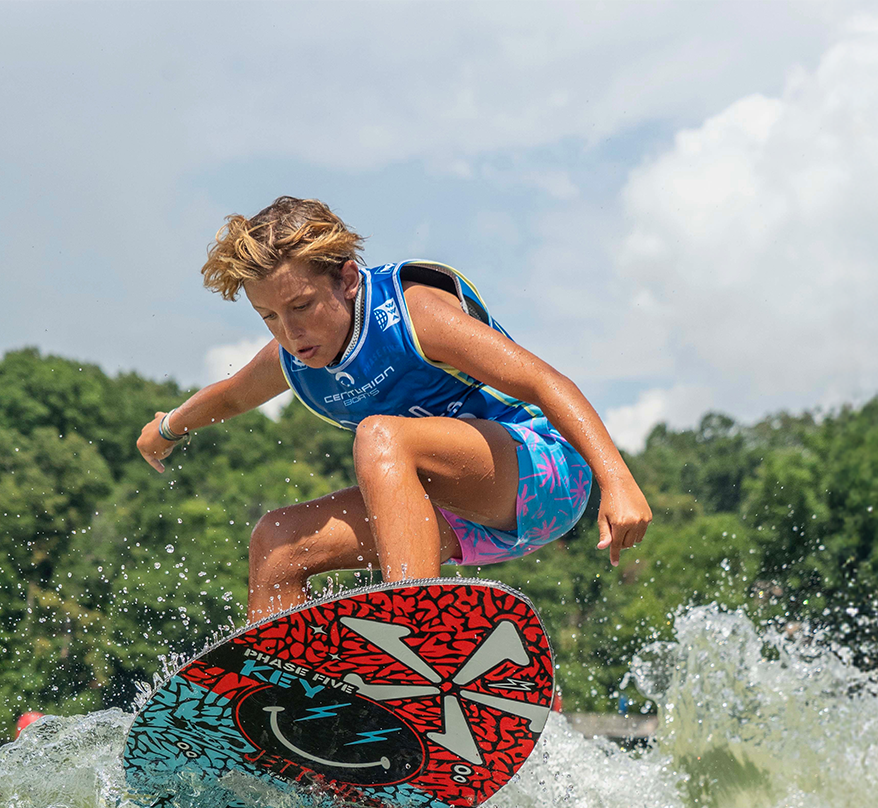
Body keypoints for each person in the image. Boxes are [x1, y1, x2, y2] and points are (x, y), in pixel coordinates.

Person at [136, 197, 651, 621]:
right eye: (268, 316)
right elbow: (231, 395)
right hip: (451, 515)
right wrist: (169, 427)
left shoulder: (415, 313)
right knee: (278, 542)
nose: (290, 332)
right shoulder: (292, 359)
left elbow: (544, 381)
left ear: (348, 279)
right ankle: (286, 696)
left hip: (543, 475)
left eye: (302, 306)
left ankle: (412, 634)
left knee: (380, 435)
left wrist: (617, 480)